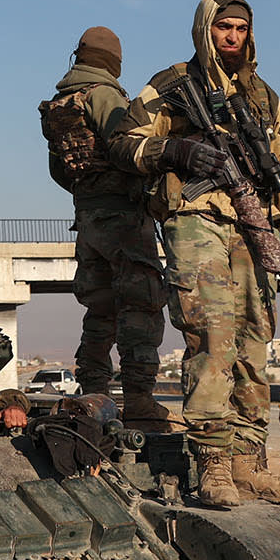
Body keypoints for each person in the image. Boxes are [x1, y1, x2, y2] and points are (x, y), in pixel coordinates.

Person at [109, 0, 280, 509]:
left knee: (255, 338)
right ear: (207, 28)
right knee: (212, 335)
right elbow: (122, 142)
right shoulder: (173, 84)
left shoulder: (263, 98)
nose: (233, 37)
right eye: (224, 27)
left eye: (241, 29)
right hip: (196, 218)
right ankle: (212, 462)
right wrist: (176, 149)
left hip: (255, 225)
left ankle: (250, 461)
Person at [40, 26, 173, 431]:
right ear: (114, 61)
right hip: (123, 218)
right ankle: (138, 398)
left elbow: (58, 170)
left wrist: (89, 193)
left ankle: (92, 391)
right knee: (140, 304)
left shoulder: (61, 103)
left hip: (88, 219)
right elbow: (125, 147)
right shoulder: (105, 96)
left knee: (99, 311)